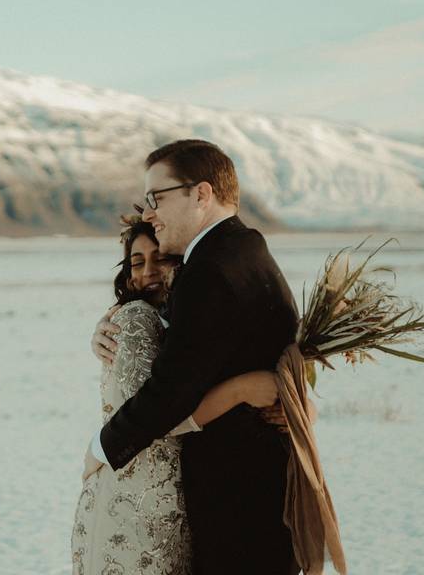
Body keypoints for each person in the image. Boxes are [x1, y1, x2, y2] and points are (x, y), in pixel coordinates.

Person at [83, 139, 302, 575]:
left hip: (238, 498)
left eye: (156, 198)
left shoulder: (211, 270)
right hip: (262, 486)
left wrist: (102, 447)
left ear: (200, 194)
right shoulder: (245, 249)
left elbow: (172, 390)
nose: (148, 213)